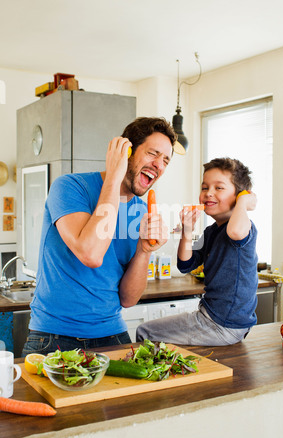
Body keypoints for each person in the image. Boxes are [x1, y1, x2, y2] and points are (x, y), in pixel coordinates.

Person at [22, 117, 176, 356]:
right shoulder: (70, 187)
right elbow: (91, 254)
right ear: (127, 152)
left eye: (166, 160)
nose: (159, 165)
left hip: (112, 333)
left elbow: (128, 299)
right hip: (54, 337)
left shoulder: (141, 211)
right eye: (153, 153)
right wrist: (115, 177)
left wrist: (144, 250)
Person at [136, 157, 258, 346]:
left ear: (240, 195)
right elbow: (186, 264)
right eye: (204, 187)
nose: (209, 193)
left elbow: (235, 231)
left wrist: (243, 202)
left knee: (145, 332)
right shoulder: (211, 232)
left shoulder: (244, 227)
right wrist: (186, 230)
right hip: (213, 317)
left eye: (219, 188)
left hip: (221, 324)